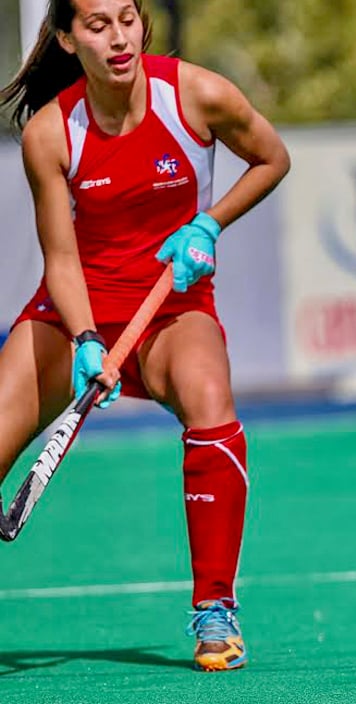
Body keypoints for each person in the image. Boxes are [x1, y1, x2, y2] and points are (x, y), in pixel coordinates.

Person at [0, 0, 290, 671]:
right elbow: (62, 259)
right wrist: (83, 340)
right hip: (70, 314)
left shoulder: (198, 94)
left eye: (127, 18)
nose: (119, 36)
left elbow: (272, 158)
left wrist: (210, 224)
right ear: (69, 40)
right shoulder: (52, 133)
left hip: (171, 310)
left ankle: (215, 608)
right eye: (98, 26)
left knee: (212, 407)